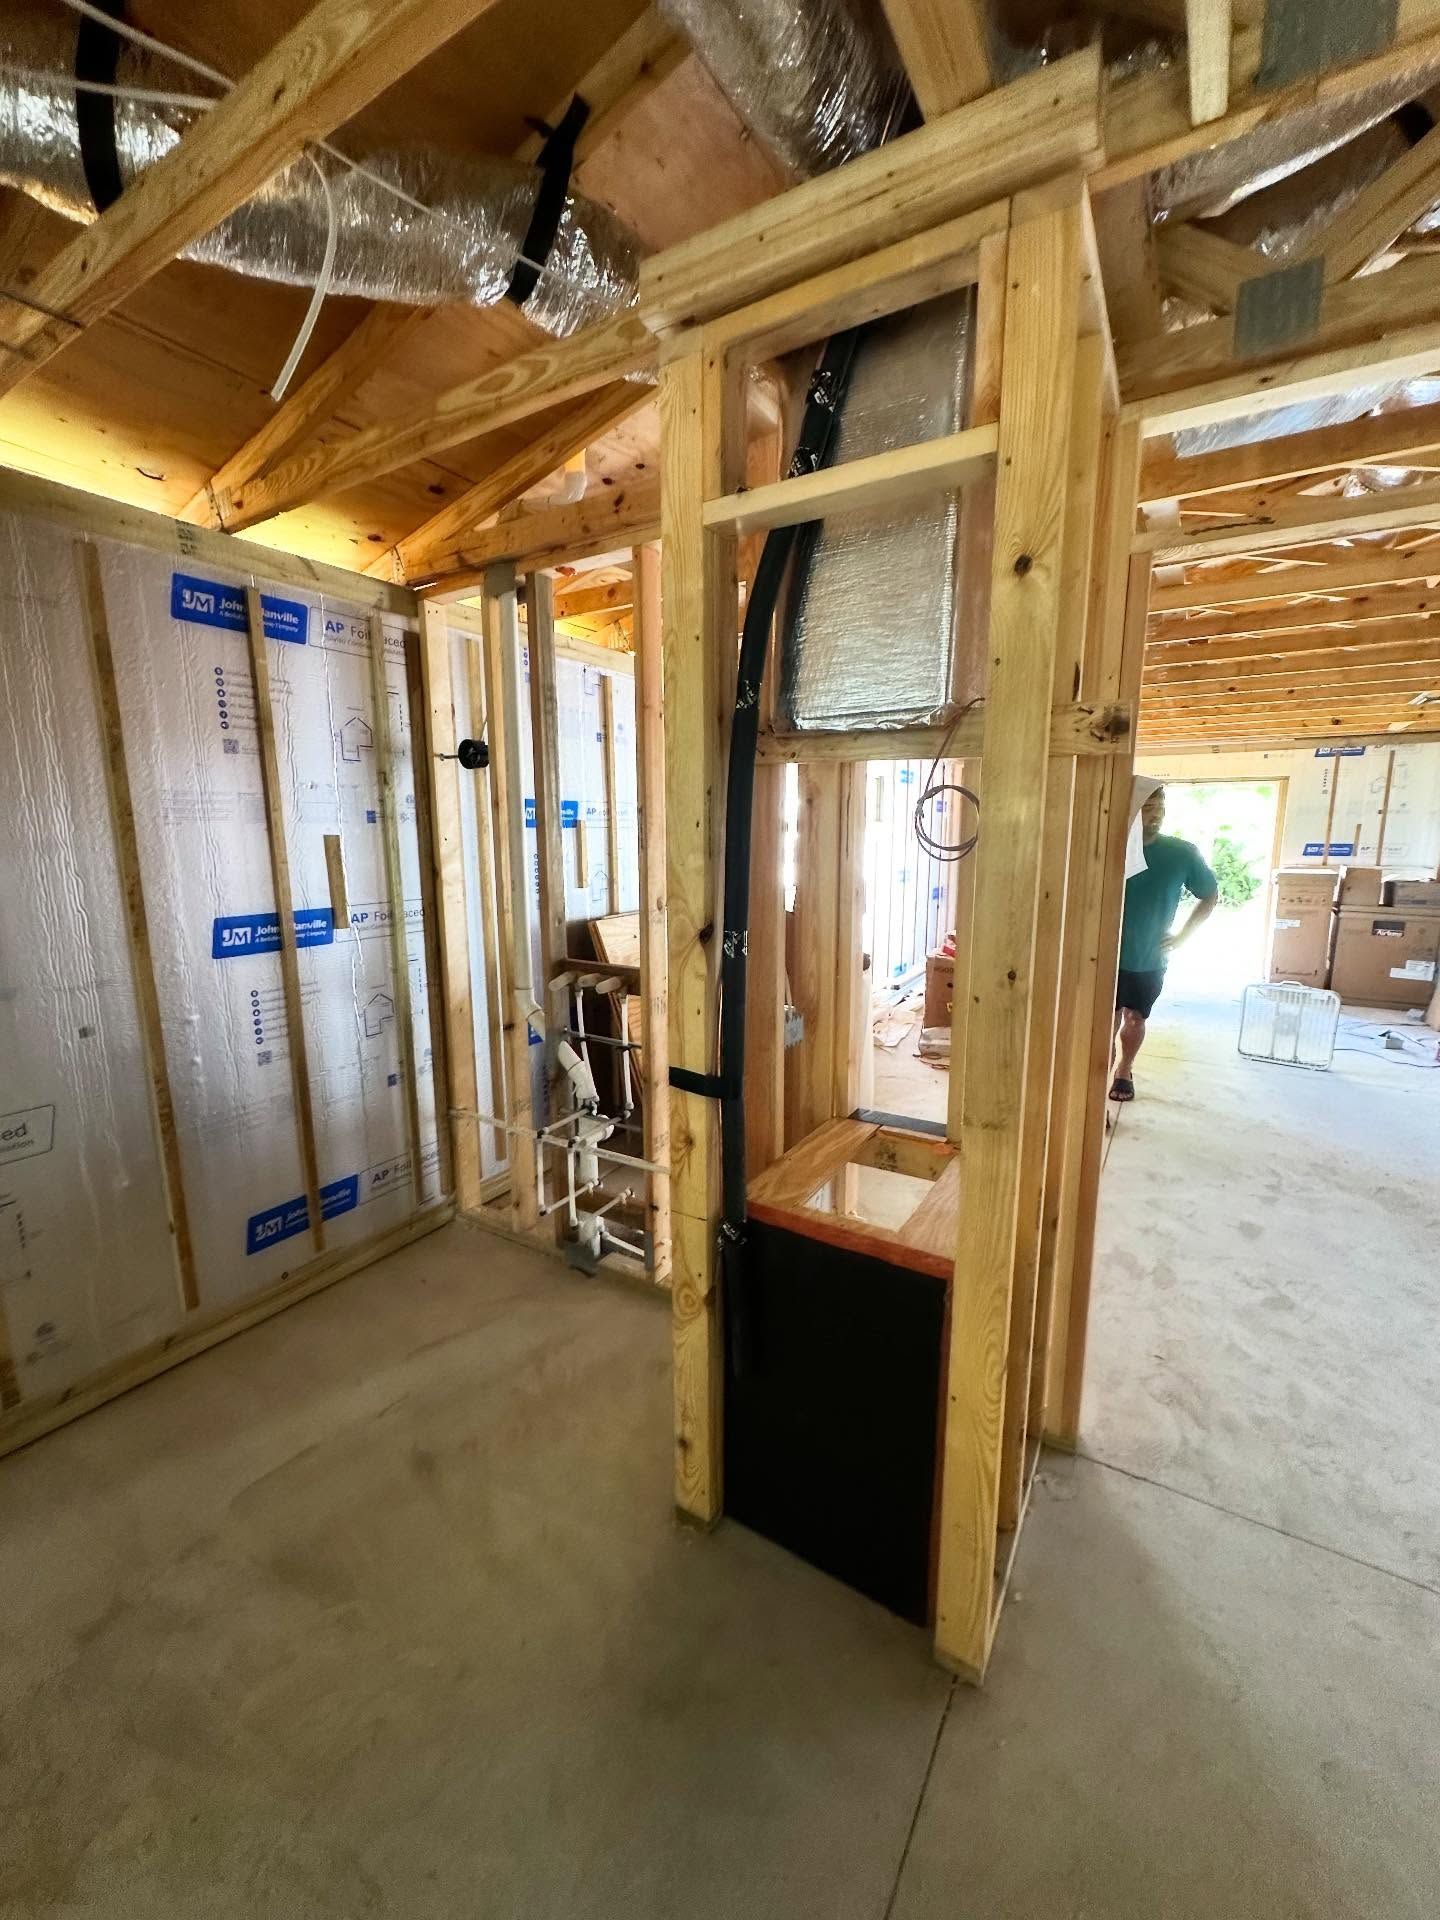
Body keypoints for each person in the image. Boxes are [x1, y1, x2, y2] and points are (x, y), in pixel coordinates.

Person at [1111, 784, 1219, 1102]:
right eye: (1147, 807)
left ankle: (1123, 1070)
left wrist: (1184, 935)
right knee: (1105, 1021)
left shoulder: (1181, 852)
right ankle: (1094, 1090)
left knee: (1135, 1017)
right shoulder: (1112, 848)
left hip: (1148, 957)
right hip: (1103, 956)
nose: (1155, 814)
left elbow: (1209, 894)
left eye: (1159, 807)